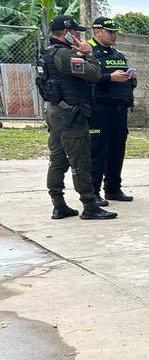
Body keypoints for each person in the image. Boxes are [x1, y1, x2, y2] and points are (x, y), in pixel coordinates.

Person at [39, 15, 116, 220]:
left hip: (55, 112)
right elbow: (94, 74)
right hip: (70, 115)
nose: (79, 36)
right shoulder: (65, 55)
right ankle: (90, 206)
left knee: (57, 159)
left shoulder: (47, 52)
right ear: (67, 33)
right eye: (75, 32)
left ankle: (58, 204)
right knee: (80, 160)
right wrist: (89, 54)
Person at [85, 17, 136, 206]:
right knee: (97, 151)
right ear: (97, 31)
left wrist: (130, 76)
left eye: (115, 32)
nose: (114, 35)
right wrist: (109, 78)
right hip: (99, 108)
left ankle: (113, 188)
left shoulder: (116, 53)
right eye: (110, 32)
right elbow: (84, 77)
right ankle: (92, 192)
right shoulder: (86, 50)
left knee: (117, 150)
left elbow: (124, 76)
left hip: (119, 108)